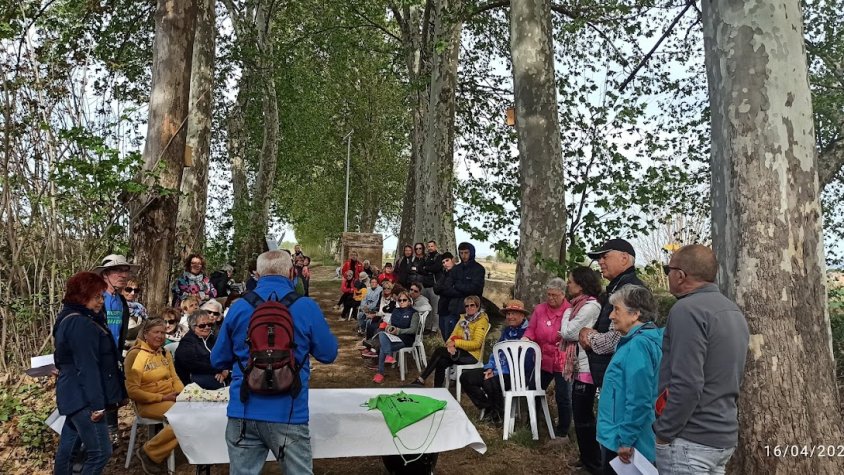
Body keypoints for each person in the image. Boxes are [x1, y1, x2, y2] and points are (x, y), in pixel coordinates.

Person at [211, 250, 338, 475]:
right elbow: (328, 354)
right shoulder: (306, 306)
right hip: (289, 410)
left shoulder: (239, 307)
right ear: (291, 273)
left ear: (257, 275)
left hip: (244, 408)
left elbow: (218, 359)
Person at [654, 245, 749, 475]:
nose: (667, 275)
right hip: (722, 437)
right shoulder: (732, 310)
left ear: (680, 275)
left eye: (668, 270)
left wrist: (664, 432)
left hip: (690, 441)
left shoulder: (687, 310)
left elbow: (687, 383)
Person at [54, 272, 127, 475]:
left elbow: (63, 357)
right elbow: (87, 367)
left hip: (74, 394)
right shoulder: (80, 323)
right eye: (97, 297)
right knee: (101, 452)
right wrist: (97, 405)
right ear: (82, 296)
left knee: (69, 449)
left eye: (102, 296)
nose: (101, 301)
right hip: (83, 397)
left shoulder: (71, 318)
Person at [596, 285, 662, 474]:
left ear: (635, 314)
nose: (611, 316)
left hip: (626, 441)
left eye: (617, 310)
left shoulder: (638, 345)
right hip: (633, 435)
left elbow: (639, 398)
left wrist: (626, 439)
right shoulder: (647, 340)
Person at [578, 238, 646, 388]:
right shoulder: (617, 287)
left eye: (605, 256)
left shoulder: (631, 289)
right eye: (599, 258)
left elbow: (617, 338)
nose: (600, 262)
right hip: (613, 376)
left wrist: (589, 337)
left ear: (624, 258)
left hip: (621, 378)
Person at [125, 317, 185, 474]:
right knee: (183, 418)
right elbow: (133, 391)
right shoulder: (135, 355)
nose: (160, 336)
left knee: (193, 412)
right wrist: (162, 398)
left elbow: (175, 378)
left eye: (163, 333)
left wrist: (182, 394)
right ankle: (149, 453)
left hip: (170, 398)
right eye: (156, 332)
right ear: (146, 334)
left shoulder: (164, 352)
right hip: (148, 403)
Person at [559, 267, 604, 473]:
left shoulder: (589, 307)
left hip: (586, 367)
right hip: (579, 365)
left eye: (570, 281)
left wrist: (566, 312)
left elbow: (568, 333)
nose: (568, 285)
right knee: (580, 417)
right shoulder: (580, 305)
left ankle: (593, 463)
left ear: (581, 284)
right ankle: (586, 457)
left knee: (584, 417)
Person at [460, 299, 532, 426]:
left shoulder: (528, 333)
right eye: (508, 314)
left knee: (490, 382)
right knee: (466, 377)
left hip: (517, 375)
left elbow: (524, 362)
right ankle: (488, 406)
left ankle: (498, 416)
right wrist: (490, 368)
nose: (510, 317)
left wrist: (497, 372)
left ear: (522, 315)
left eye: (513, 313)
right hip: (497, 370)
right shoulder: (507, 331)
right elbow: (496, 352)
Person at [92, 254, 136, 444]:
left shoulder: (121, 300)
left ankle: (111, 433)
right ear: (105, 274)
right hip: (96, 355)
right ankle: (94, 438)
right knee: (97, 394)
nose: (123, 275)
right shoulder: (96, 299)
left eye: (125, 271)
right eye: (118, 271)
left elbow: (121, 329)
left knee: (113, 393)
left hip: (114, 354)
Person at [523, 278, 573, 440]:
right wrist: (526, 338)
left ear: (563, 294)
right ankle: (533, 423)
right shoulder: (539, 309)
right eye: (548, 294)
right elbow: (531, 329)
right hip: (542, 357)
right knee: (533, 389)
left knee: (563, 395)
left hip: (561, 359)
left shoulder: (570, 311)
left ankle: (563, 431)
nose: (550, 298)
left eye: (554, 295)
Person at [409, 295, 490, 388]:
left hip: (472, 355)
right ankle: (437, 389)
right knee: (441, 361)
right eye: (467, 306)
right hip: (460, 350)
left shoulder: (481, 321)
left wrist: (456, 343)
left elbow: (476, 344)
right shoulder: (463, 318)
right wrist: (450, 345)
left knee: (439, 351)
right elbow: (452, 335)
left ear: (477, 306)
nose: (469, 308)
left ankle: (422, 379)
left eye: (472, 305)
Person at [372, 290, 421, 384]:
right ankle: (388, 356)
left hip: (405, 339)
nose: (402, 302)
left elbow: (413, 330)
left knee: (382, 348)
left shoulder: (413, 313)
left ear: (409, 301)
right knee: (381, 333)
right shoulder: (396, 311)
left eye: (404, 300)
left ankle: (381, 372)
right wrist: (389, 329)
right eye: (400, 300)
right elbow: (389, 324)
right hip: (392, 337)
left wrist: (398, 331)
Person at [174, 310, 229, 389]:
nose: (207, 327)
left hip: (216, 372)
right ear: (193, 327)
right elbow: (196, 365)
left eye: (209, 324)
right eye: (202, 326)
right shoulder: (187, 343)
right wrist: (220, 369)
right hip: (195, 377)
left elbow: (225, 353)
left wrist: (225, 369)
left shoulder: (213, 338)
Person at [418, 240, 444, 331]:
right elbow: (419, 268)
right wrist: (428, 270)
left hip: (434, 286)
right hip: (425, 286)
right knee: (426, 308)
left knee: (435, 309)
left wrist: (426, 268)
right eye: (428, 246)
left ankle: (434, 328)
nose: (430, 248)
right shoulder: (425, 257)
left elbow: (436, 268)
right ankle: (427, 327)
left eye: (432, 246)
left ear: (435, 246)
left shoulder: (439, 257)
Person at [433, 252, 456, 341]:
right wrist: (444, 288)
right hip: (442, 308)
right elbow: (436, 289)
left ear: (452, 260)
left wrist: (442, 289)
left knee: (450, 336)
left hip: (452, 310)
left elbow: (452, 291)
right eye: (443, 262)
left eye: (447, 260)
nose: (445, 264)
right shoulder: (444, 274)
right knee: (444, 335)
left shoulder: (457, 273)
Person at [122, 278, 148, 343]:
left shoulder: (140, 308)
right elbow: (125, 334)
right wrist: (144, 326)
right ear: (121, 289)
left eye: (136, 290)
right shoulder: (116, 307)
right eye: (128, 289)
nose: (133, 293)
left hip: (138, 346)